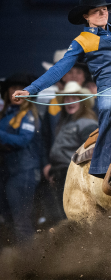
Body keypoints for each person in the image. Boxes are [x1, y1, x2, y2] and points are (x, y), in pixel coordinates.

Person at [12, 0, 111, 190]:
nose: (103, 13)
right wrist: (32, 89)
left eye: (105, 9)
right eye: (97, 11)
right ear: (86, 16)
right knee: (109, 107)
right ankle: (107, 167)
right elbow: (59, 68)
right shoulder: (82, 41)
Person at [44, 81, 98, 220]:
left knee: (73, 213)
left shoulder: (87, 123)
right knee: (65, 213)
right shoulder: (66, 122)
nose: (70, 102)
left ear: (81, 101)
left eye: (74, 98)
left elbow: (91, 152)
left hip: (73, 175)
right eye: (67, 98)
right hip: (62, 173)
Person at [0, 73, 41, 243]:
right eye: (12, 88)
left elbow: (23, 140)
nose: (16, 92)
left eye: (21, 89)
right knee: (8, 219)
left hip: (23, 172)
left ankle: (30, 262)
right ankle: (14, 261)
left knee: (21, 221)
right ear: (7, 92)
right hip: (6, 172)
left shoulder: (29, 115)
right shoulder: (5, 115)